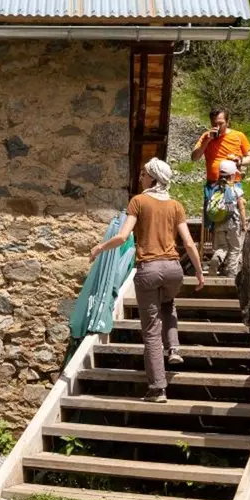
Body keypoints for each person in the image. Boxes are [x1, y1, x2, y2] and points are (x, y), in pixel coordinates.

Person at [90, 158, 204, 403]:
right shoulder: (176, 205)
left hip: (149, 270)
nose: (141, 177)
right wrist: (199, 272)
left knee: (151, 332)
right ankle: (173, 347)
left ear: (152, 178)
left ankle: (157, 389)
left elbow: (122, 237)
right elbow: (188, 243)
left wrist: (100, 247)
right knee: (168, 303)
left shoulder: (138, 201)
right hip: (174, 269)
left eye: (143, 174)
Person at [191, 108, 250, 260]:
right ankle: (217, 254)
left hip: (233, 184)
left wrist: (240, 161)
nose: (218, 126)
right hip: (212, 185)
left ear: (228, 121)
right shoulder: (206, 136)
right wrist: (207, 140)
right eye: (214, 123)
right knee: (213, 220)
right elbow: (194, 157)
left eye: (221, 123)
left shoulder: (239, 136)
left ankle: (231, 256)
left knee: (234, 219)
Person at [206, 158, 246, 278]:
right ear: (233, 175)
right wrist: (244, 224)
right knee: (235, 249)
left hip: (219, 222)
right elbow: (242, 208)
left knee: (222, 247)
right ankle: (231, 273)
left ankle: (216, 259)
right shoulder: (236, 190)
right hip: (233, 223)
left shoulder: (215, 189)